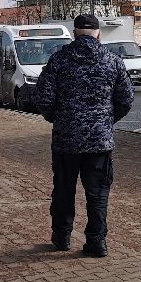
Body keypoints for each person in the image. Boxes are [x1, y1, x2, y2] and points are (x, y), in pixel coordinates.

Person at [34, 13, 134, 258]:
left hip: (66, 140)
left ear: (75, 33)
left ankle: (62, 237)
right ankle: (97, 242)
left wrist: (57, 120)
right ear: (98, 33)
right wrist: (106, 121)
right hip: (99, 142)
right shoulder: (113, 61)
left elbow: (43, 98)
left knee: (63, 191)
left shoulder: (58, 61)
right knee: (98, 193)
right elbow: (126, 99)